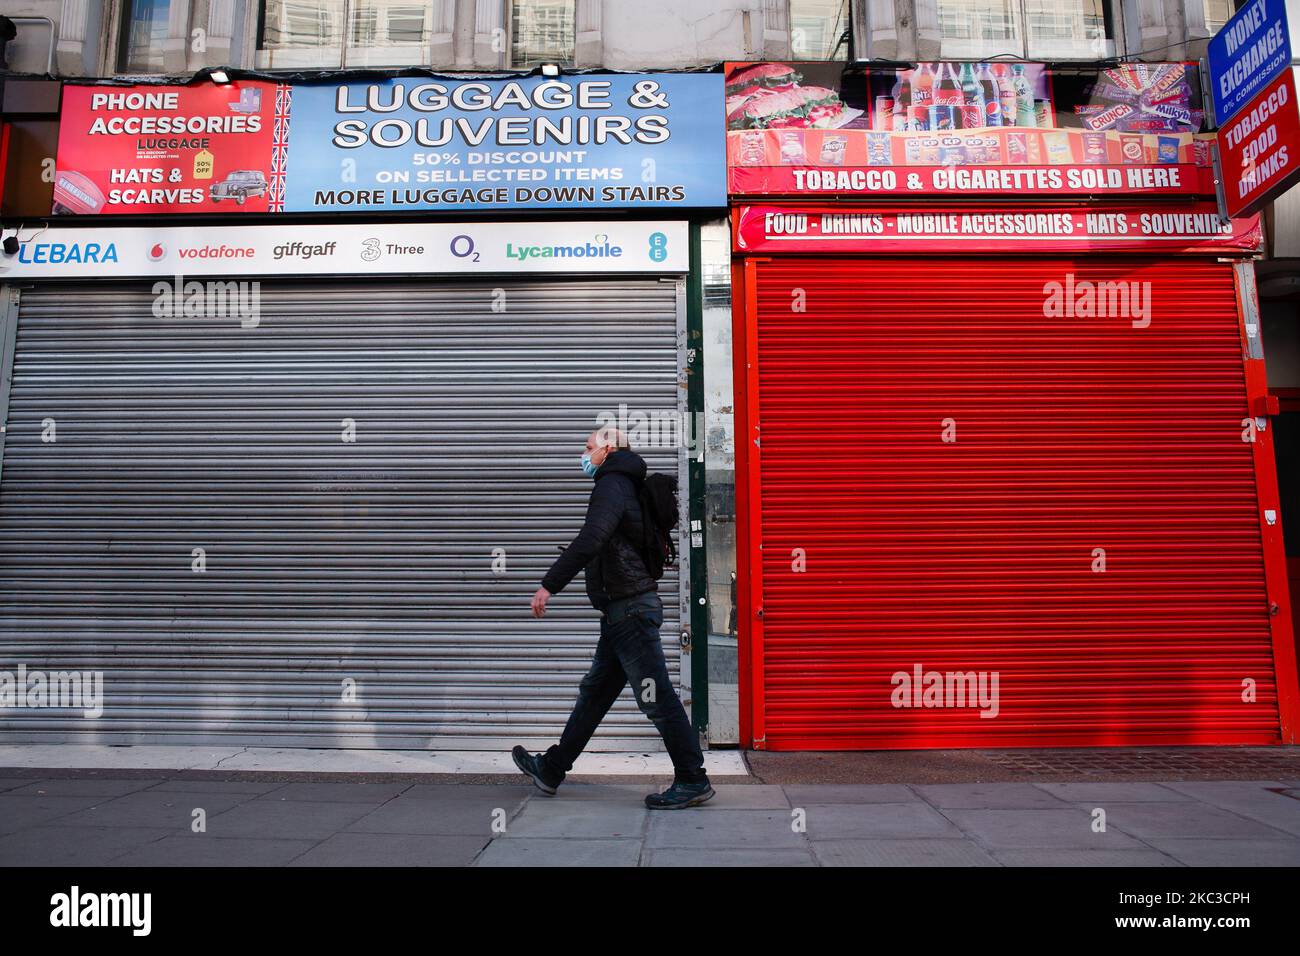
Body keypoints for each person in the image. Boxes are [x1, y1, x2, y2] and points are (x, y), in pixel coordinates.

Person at [513, 426, 714, 809]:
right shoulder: (626, 483)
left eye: (588, 447)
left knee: (657, 698)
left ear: (607, 448)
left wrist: (549, 584)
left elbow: (592, 538)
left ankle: (692, 778)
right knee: (595, 694)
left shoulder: (612, 485)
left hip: (631, 612)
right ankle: (552, 769)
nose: (584, 454)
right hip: (622, 612)